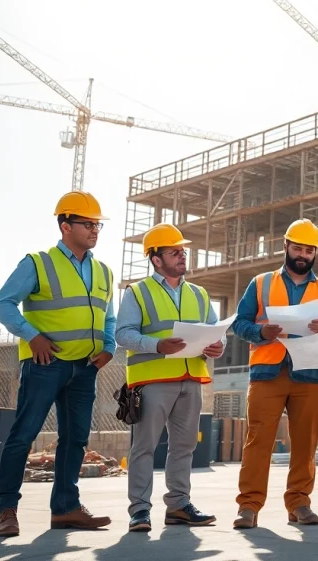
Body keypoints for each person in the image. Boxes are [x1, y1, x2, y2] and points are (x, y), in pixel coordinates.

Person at [0, 191, 115, 537]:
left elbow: (110, 318)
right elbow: (2, 304)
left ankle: (65, 509)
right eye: (88, 224)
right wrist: (32, 336)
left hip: (86, 367)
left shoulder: (104, 271)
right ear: (65, 226)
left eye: (97, 225)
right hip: (46, 363)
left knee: (75, 439)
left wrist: (110, 346)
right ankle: (6, 510)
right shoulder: (37, 263)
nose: (94, 230)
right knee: (23, 435)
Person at [231, 218, 318, 529]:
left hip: (309, 376)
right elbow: (238, 324)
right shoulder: (261, 283)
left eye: (309, 250)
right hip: (267, 373)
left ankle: (299, 502)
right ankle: (249, 506)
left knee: (306, 443)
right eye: (298, 247)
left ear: (315, 253)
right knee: (258, 441)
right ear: (285, 246)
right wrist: (260, 331)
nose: (303, 254)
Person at [117, 223, 225, 532]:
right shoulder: (138, 292)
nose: (182, 256)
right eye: (174, 251)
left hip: (190, 378)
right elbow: (122, 334)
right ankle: (139, 510)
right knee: (144, 447)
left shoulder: (199, 294)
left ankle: (178, 505)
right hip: (152, 381)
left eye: (183, 251)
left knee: (184, 447)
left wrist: (218, 346)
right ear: (156, 259)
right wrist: (156, 345)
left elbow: (215, 330)